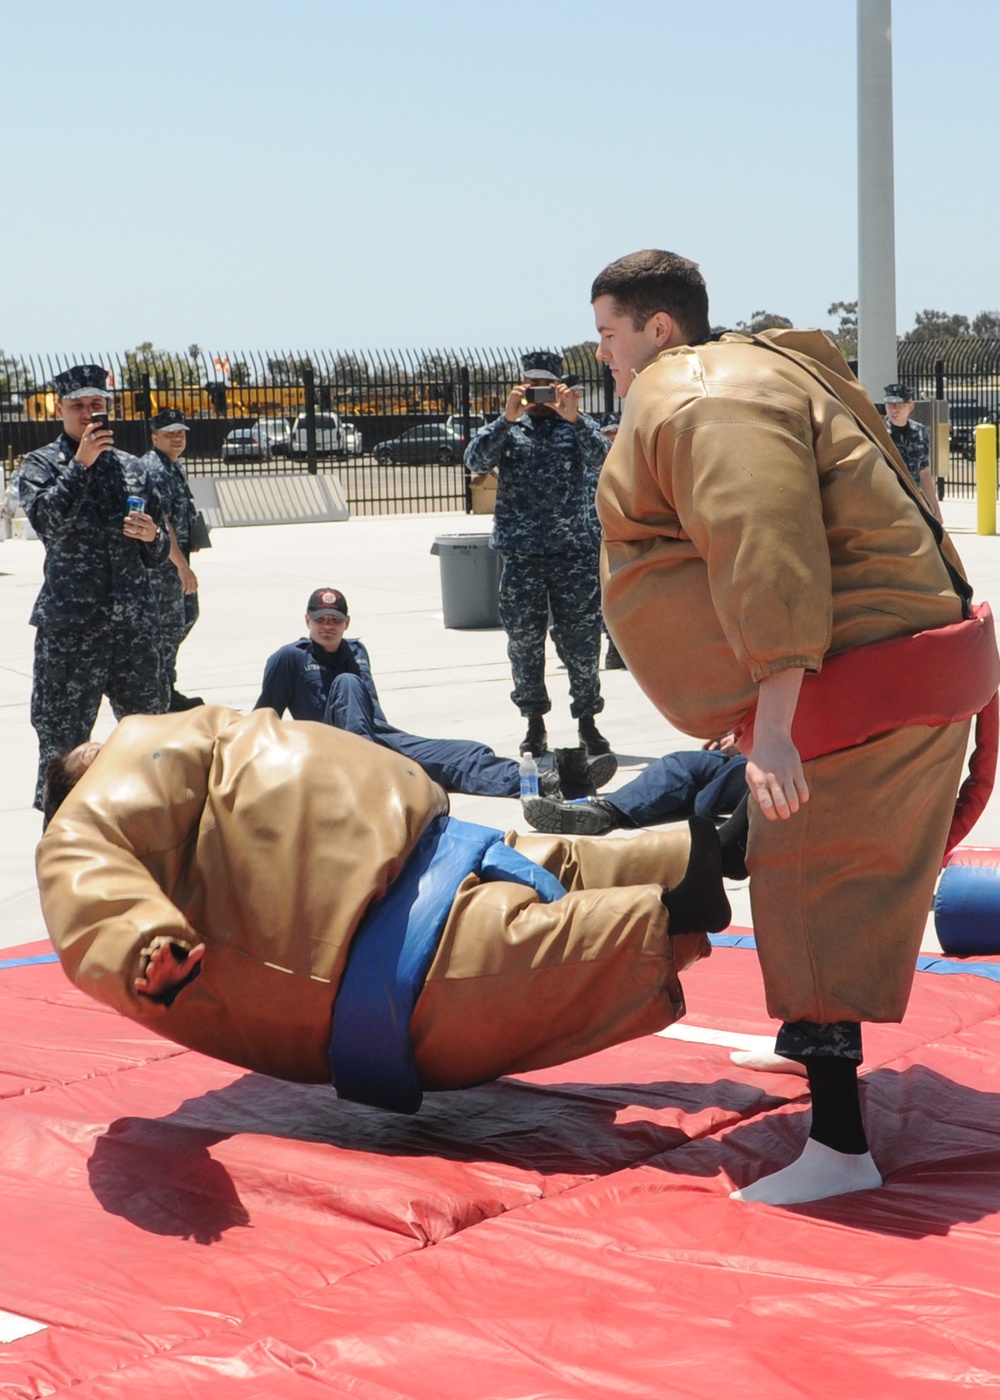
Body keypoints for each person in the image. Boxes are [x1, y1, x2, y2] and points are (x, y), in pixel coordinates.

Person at [590, 248, 997, 1205]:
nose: (602, 357)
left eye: (609, 336)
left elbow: (767, 551)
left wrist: (774, 723)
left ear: (659, 329)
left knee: (812, 892)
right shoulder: (765, 368)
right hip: (902, 677)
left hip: (855, 696)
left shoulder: (700, 394)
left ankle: (839, 1149)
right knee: (752, 840)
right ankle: (801, 1046)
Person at [36, 707, 731, 1114]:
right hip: (397, 886)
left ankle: (682, 889)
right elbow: (89, 891)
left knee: (522, 931)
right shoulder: (99, 807)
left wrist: (146, 948)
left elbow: (87, 889)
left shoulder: (158, 753)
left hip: (389, 899)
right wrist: (146, 948)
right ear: (80, 775)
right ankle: (683, 871)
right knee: (533, 907)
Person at [255, 587, 617, 799]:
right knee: (348, 684)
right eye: (321, 619)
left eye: (335, 620)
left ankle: (546, 781)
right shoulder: (289, 659)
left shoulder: (357, 651)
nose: (327, 626)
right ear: (307, 621)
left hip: (380, 740)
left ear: (347, 623)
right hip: (334, 755)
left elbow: (371, 719)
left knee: (464, 754)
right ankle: (365, 779)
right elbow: (261, 723)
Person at [18, 364, 171, 808]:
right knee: (62, 749)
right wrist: (81, 465)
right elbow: (48, 522)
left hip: (133, 633)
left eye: (97, 405)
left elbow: (157, 552)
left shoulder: (132, 469)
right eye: (78, 406)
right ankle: (60, 850)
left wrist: (152, 538)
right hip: (71, 633)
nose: (88, 414)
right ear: (61, 410)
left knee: (152, 744)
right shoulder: (42, 464)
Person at [464, 352, 612, 758]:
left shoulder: (576, 426)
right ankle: (534, 724)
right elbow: (474, 461)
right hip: (523, 556)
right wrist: (505, 419)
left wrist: (575, 419)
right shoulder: (510, 428)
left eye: (546, 386)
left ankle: (587, 722)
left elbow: (606, 460)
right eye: (531, 386)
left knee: (582, 644)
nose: (539, 395)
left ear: (560, 386)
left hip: (573, 554)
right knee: (524, 643)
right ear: (521, 387)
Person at [524, 741, 747, 847]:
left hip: (770, 756)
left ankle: (571, 786)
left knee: (719, 786)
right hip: (751, 742)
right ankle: (606, 809)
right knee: (678, 763)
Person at [140, 408, 203, 711]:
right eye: (169, 434)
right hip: (162, 564)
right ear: (154, 437)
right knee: (166, 628)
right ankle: (160, 693)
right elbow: (162, 523)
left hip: (176, 559)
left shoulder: (175, 466)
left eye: (181, 433)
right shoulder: (154, 470)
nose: (177, 438)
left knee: (185, 617)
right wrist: (182, 567)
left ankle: (167, 685)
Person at [882, 383, 942, 523]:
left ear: (910, 406)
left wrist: (935, 508)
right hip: (887, 501)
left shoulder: (919, 432)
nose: (893, 410)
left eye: (899, 405)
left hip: (913, 500)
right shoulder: (879, 433)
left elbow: (924, 472)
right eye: (889, 404)